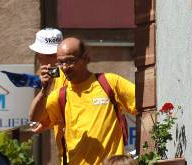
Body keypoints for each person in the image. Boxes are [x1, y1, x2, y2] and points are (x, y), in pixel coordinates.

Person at [29, 37, 136, 165]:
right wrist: (44, 90)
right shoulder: (60, 96)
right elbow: (34, 117)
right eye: (60, 62)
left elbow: (144, 105)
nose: (64, 67)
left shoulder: (109, 83)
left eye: (70, 61)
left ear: (85, 58)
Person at [28, 28, 66, 159]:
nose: (37, 57)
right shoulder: (54, 78)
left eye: (38, 53)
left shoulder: (62, 77)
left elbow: (34, 118)